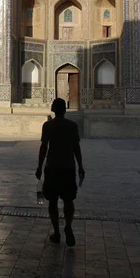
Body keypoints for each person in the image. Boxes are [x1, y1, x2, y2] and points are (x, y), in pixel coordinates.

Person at [35, 98, 85, 247]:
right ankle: (68, 226)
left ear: (53, 109)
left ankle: (56, 232)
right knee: (69, 199)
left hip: (52, 167)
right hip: (68, 167)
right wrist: (80, 166)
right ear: (65, 109)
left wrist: (39, 166)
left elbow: (44, 147)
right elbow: (76, 148)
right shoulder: (72, 126)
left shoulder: (48, 125)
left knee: (52, 200)